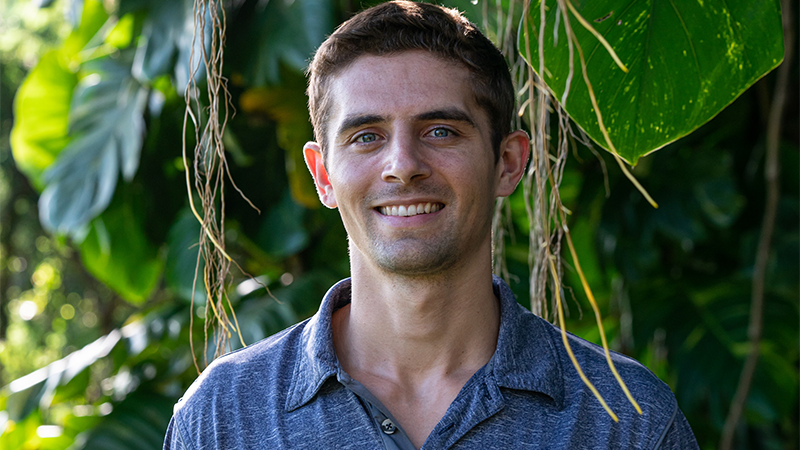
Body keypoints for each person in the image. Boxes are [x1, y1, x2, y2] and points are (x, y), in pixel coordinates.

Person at [163, 2, 699, 449]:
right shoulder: (223, 418)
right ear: (322, 175)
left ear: (508, 163)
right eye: (366, 136)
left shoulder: (628, 421)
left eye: (440, 131)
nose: (403, 164)